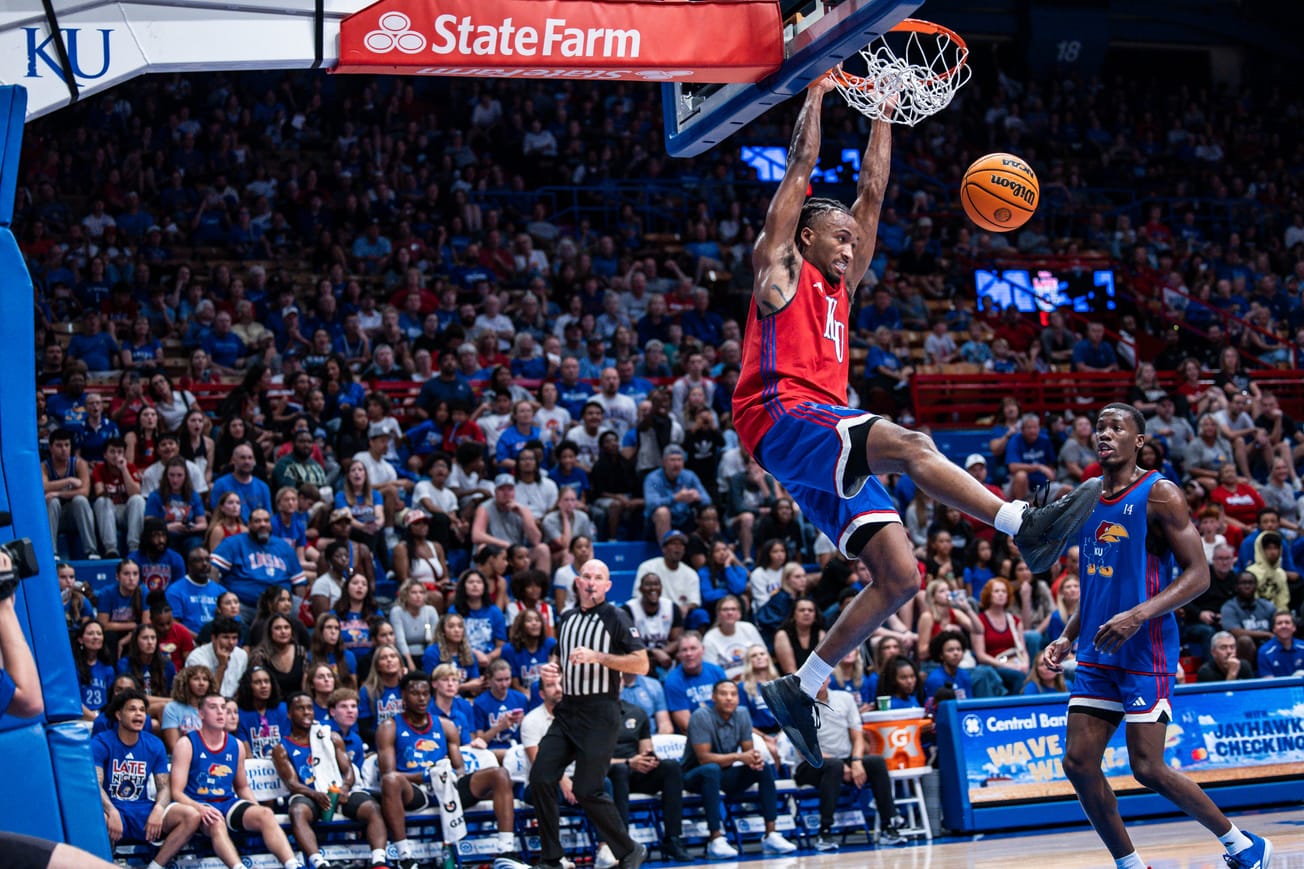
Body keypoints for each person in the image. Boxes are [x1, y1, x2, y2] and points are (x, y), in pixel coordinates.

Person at [738, 76, 1100, 769]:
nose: (849, 247)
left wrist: (882, 114)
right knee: (913, 442)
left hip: (821, 422)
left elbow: (871, 194)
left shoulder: (844, 284)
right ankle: (1023, 524)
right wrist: (814, 98)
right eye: (837, 237)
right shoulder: (780, 269)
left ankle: (801, 686)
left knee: (900, 575)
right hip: (779, 410)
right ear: (805, 235)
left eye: (853, 241)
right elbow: (798, 171)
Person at [1042, 403, 1272, 869]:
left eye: (1116, 427)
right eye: (1100, 427)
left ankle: (1244, 845)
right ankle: (1131, 864)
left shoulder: (1160, 493)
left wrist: (1138, 615)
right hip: (1096, 649)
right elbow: (1097, 580)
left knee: (1147, 767)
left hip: (1146, 649)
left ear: (1138, 441)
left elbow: (1200, 575)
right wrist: (1068, 634)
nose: (1105, 434)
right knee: (1078, 763)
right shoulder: (1087, 497)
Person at [527, 559, 649, 869]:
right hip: (568, 708)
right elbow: (567, 659)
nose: (591, 582)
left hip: (601, 711)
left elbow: (641, 663)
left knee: (586, 789)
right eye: (586, 576)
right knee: (541, 777)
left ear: (607, 586)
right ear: (578, 582)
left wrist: (599, 657)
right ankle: (552, 858)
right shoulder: (566, 618)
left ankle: (629, 849)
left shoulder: (616, 617)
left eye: (598, 577)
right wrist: (554, 668)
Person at [376, 671, 527, 869]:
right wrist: (426, 774)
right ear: (403, 695)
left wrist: (446, 773)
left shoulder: (446, 726)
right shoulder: (389, 727)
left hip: (447, 787)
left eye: (425, 693)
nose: (421, 698)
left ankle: (505, 851)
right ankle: (405, 857)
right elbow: (388, 774)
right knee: (390, 782)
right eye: (415, 693)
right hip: (416, 791)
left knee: (499, 774)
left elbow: (460, 769)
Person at [169, 693, 303, 869]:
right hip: (198, 804)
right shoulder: (186, 743)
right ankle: (238, 867)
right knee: (217, 822)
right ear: (201, 714)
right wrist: (199, 808)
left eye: (223, 708)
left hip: (227, 802)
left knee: (266, 815)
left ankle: (293, 864)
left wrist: (256, 807)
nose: (220, 712)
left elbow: (242, 787)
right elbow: (177, 792)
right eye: (213, 707)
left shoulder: (236, 745)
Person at [270, 692, 390, 869]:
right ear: (289, 713)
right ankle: (320, 863)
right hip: (309, 794)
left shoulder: (330, 737)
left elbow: (348, 770)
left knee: (372, 808)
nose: (306, 712)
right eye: (300, 708)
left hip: (336, 791)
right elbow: (292, 784)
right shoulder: (281, 748)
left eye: (310, 708)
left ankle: (379, 861)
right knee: (297, 812)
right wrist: (316, 795)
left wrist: (345, 787)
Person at [681, 680, 798, 858]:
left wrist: (754, 759)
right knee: (711, 769)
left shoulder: (742, 714)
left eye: (733, 694)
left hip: (723, 774)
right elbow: (704, 758)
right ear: (713, 697)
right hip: (693, 777)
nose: (729, 698)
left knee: (763, 768)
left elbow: (747, 752)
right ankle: (715, 839)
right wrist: (739, 757)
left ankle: (771, 835)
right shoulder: (701, 716)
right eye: (723, 694)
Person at [93, 689, 203, 868]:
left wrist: (159, 809)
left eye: (142, 710)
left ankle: (156, 866)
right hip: (113, 807)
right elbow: (95, 785)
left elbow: (164, 786)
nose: (139, 714)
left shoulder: (154, 744)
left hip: (142, 808)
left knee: (191, 816)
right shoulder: (101, 742)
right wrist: (111, 812)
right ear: (118, 715)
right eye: (132, 709)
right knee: (98, 819)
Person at [797, 678, 906, 850]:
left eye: (823, 675)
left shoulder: (845, 698)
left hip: (844, 760)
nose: (819, 680)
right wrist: (841, 765)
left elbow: (857, 736)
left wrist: (856, 761)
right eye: (814, 676)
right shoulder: (798, 705)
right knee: (834, 766)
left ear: (829, 677)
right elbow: (804, 749)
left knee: (876, 762)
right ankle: (824, 832)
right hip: (811, 764)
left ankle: (889, 826)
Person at [606, 697, 693, 862]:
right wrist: (628, 762)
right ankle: (624, 846)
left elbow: (646, 748)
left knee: (671, 767)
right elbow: (592, 759)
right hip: (608, 775)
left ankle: (672, 838)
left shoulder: (636, 712)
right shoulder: (590, 714)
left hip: (636, 773)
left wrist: (648, 759)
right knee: (620, 770)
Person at [210, 508, 306, 616]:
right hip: (245, 606)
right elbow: (213, 569)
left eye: (266, 521)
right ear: (249, 525)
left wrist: (300, 605)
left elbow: (299, 582)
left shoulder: (284, 546)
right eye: (257, 521)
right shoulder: (233, 543)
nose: (263, 524)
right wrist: (219, 598)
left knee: (301, 607)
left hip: (281, 606)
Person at [1257, 611, 1304, 678]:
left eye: (1287, 623)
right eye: (1279, 623)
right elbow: (1268, 682)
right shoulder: (1264, 652)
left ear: (1294, 628)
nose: (1283, 626)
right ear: (1274, 629)